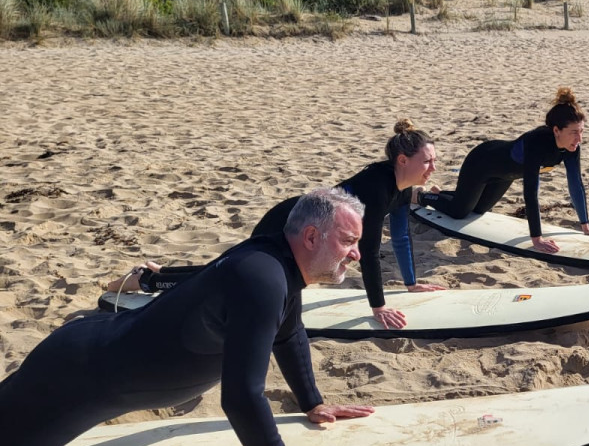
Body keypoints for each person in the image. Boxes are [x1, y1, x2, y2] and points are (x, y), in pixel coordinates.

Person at [0, 188, 374, 446]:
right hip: (75, 381)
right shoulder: (263, 280)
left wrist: (312, 402)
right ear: (311, 237)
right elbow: (242, 397)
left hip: (87, 357)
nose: (356, 254)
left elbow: (288, 333)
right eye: (348, 241)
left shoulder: (278, 266)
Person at [108, 119, 442, 330]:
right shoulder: (376, 187)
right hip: (287, 227)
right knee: (225, 282)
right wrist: (378, 307)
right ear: (402, 161)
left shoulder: (390, 184)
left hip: (302, 225)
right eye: (427, 161)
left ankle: (157, 272)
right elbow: (368, 254)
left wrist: (411, 283)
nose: (432, 168)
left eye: (434, 161)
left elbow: (399, 226)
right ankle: (147, 280)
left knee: (224, 273)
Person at [422, 87, 589, 254]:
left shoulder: (572, 147)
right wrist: (537, 238)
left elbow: (575, 184)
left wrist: (585, 226)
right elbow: (531, 192)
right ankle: (420, 196)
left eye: (582, 131)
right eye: (574, 132)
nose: (579, 138)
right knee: (459, 212)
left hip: (504, 175)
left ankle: (444, 194)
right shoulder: (537, 143)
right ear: (557, 130)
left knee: (479, 210)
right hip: (481, 162)